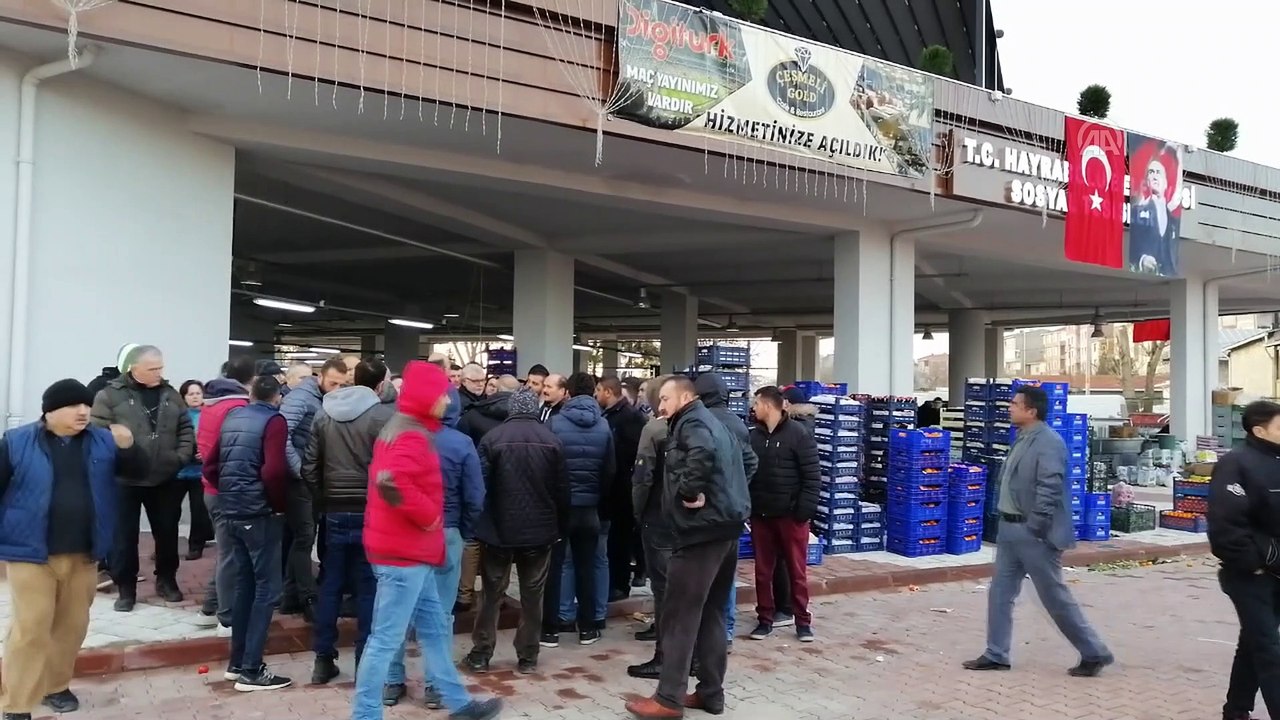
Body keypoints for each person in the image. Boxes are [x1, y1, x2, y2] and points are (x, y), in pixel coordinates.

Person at [350, 361, 502, 720]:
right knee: (385, 639)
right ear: (423, 397)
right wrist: (429, 516)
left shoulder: (406, 426)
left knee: (435, 630)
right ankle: (365, 714)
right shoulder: (410, 433)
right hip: (402, 555)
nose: (446, 401)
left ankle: (460, 704)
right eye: (439, 395)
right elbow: (390, 480)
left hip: (411, 553)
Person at [0, 379, 138, 719]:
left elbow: (141, 473)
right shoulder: (15, 443)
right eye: (74, 406)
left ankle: (55, 686)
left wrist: (129, 446)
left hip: (83, 554)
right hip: (31, 554)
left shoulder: (103, 441)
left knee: (72, 626)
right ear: (50, 410)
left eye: (87, 406)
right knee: (31, 628)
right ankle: (16, 704)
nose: (83, 412)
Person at [962, 386, 1112, 676]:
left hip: (1032, 533)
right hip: (1009, 531)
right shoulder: (1022, 438)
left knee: (1054, 596)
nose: (1010, 407)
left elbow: (1051, 486)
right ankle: (996, 654)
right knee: (1000, 593)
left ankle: (1095, 652)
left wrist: (1036, 526)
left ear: (1031, 411)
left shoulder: (1049, 442)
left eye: (1015, 404)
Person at [625, 376, 750, 719]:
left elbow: (701, 454)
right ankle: (711, 693)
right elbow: (748, 462)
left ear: (685, 396)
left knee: (679, 614)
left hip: (699, 534)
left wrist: (689, 493)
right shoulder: (718, 421)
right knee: (711, 612)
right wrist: (724, 495)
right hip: (725, 531)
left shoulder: (692, 421)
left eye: (664, 399)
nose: (660, 406)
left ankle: (668, 699)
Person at [385, 365, 486, 708]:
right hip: (446, 533)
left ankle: (392, 680)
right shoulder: (461, 443)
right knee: (440, 613)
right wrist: (463, 530)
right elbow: (475, 495)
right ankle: (434, 686)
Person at [304, 359, 397, 684]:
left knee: (330, 584)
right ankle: (364, 663)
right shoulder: (384, 417)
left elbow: (309, 466)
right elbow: (390, 472)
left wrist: (324, 499)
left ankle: (322, 659)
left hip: (333, 511)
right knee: (368, 588)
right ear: (380, 385)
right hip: (371, 512)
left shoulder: (323, 413)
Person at [463, 389, 568, 674]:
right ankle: (528, 656)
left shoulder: (492, 439)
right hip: (540, 531)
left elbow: (479, 487)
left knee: (491, 593)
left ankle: (482, 653)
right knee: (533, 595)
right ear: (534, 409)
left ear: (511, 409)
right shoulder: (553, 441)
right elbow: (562, 491)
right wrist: (559, 526)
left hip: (498, 530)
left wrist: (478, 523)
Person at [203, 376, 292, 691]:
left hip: (231, 509)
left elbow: (210, 465)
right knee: (267, 589)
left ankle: (237, 663)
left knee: (244, 586)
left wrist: (230, 492)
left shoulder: (233, 416)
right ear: (277, 396)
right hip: (260, 512)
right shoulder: (275, 421)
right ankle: (253, 669)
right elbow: (274, 470)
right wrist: (278, 505)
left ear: (251, 394)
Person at [91, 344, 195, 611]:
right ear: (133, 369)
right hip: (125, 479)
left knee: (167, 533)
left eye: (161, 367)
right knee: (124, 537)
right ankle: (126, 588)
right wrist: (120, 452)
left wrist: (179, 457)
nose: (159, 373)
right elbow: (98, 432)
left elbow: (185, 429)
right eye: (152, 369)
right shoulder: (109, 396)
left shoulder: (171, 395)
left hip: (165, 478)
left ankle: (167, 580)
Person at [1207, 399, 1280, 720]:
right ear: (1259, 430)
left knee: (1253, 642)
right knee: (1269, 649)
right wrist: (1253, 563)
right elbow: (1225, 524)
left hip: (1277, 571)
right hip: (1251, 574)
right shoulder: (1236, 464)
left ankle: (1235, 710)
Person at [542, 372, 615, 647]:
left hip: (561, 509)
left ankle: (550, 630)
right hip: (590, 509)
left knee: (555, 567)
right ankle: (588, 628)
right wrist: (598, 498)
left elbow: (549, 467)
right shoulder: (604, 427)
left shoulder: (555, 423)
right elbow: (610, 469)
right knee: (587, 567)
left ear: (568, 393)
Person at [746, 386, 820, 642]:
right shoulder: (752, 437)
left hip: (791, 517)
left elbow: (812, 477)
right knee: (763, 571)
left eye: (756, 403)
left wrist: (802, 512)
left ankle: (802, 621)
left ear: (768, 405)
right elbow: (747, 474)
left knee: (797, 572)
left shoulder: (798, 434)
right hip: (761, 515)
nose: (753, 408)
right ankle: (765, 619)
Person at [279, 356, 350, 619]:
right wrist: (299, 470)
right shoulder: (300, 398)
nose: (337, 389)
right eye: (333, 383)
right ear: (320, 377)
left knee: (299, 536)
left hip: (311, 477)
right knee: (304, 537)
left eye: (342, 385)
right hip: (300, 479)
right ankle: (307, 596)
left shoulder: (323, 398)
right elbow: (282, 434)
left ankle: (290, 597)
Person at [693, 373, 759, 644]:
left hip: (704, 509)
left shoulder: (700, 422)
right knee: (726, 574)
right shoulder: (738, 424)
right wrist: (737, 488)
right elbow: (751, 463)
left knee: (700, 572)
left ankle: (702, 632)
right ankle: (725, 631)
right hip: (732, 510)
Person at [194, 357, 256, 631]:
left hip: (212, 488)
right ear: (251, 380)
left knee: (227, 551)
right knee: (232, 555)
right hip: (229, 491)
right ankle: (227, 618)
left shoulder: (212, 404)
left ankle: (210, 607)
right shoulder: (238, 408)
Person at [627, 376, 674, 679]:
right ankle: (691, 655)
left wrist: (637, 511)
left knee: (664, 587)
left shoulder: (654, 429)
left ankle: (664, 657)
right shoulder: (701, 427)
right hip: (686, 519)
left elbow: (642, 478)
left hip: (658, 518)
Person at [596, 376, 647, 600]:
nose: (596, 395)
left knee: (620, 539)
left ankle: (619, 585)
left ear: (608, 392)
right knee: (612, 540)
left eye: (598, 390)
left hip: (622, 490)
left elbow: (632, 456)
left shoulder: (630, 419)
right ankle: (613, 582)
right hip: (611, 488)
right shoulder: (608, 416)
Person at [177, 380, 215, 560]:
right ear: (183, 397)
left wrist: (206, 452)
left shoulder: (209, 415)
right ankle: (165, 546)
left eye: (198, 393)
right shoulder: (177, 415)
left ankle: (196, 545)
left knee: (199, 511)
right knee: (169, 513)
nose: (195, 397)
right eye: (190, 394)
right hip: (178, 471)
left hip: (200, 471)